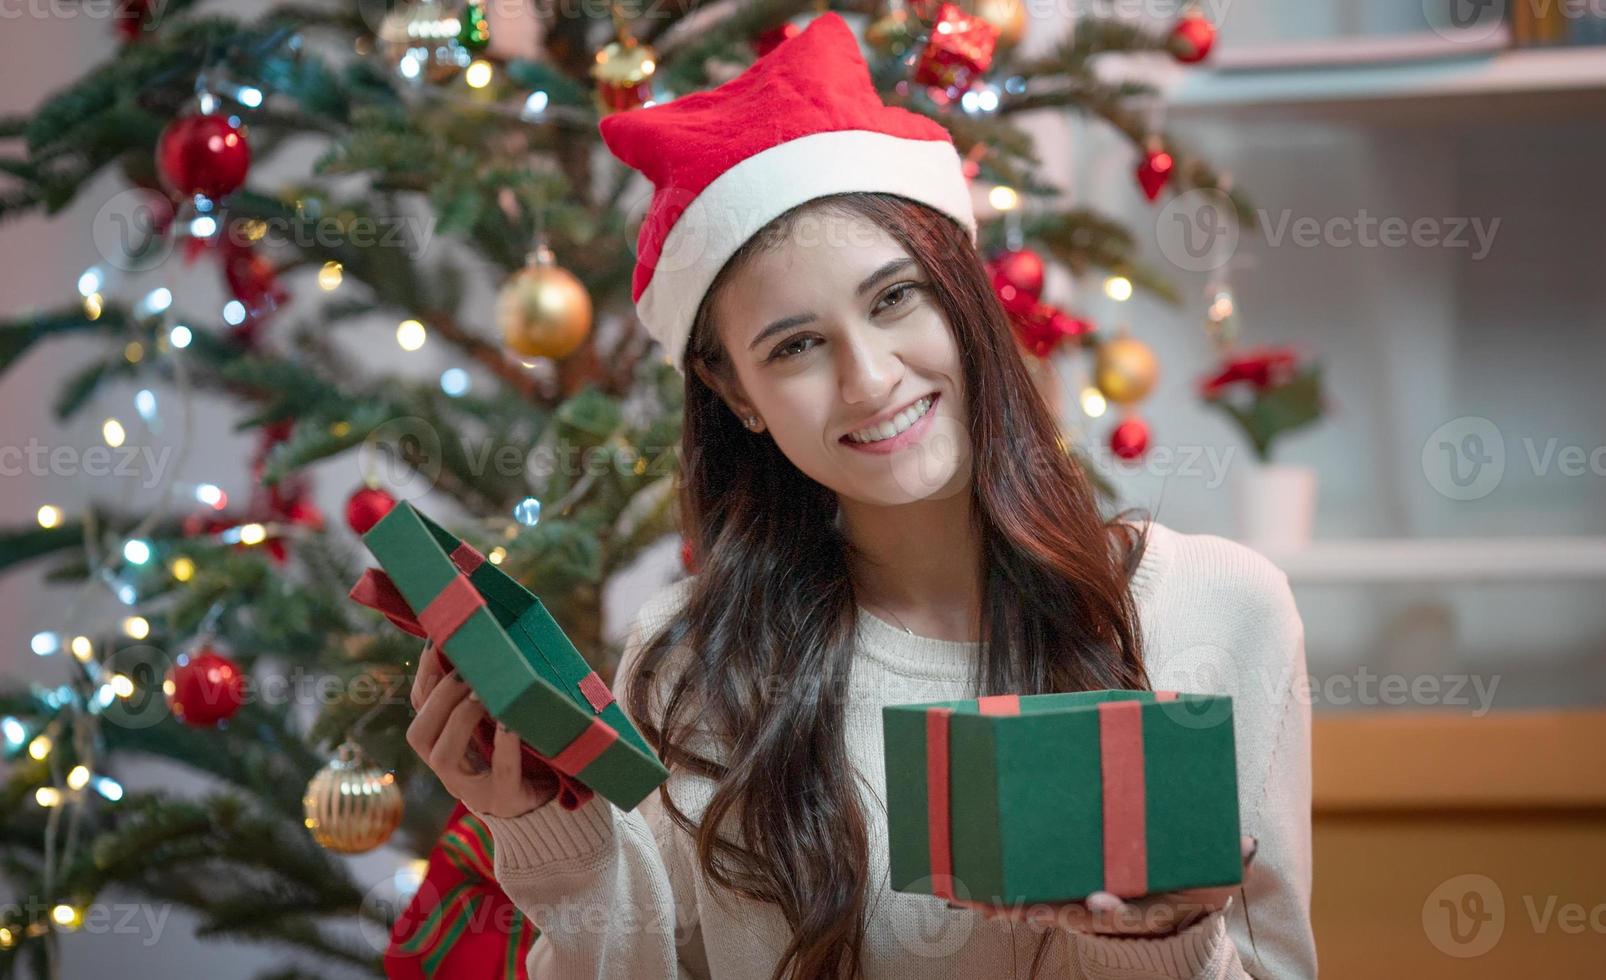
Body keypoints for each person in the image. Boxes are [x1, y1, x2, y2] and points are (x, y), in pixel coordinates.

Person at [404, 13, 1315, 979]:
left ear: (962, 297)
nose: (870, 380)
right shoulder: (691, 662)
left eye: (894, 298)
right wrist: (553, 837)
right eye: (794, 347)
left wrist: (1164, 945)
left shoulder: (1217, 611)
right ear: (734, 396)